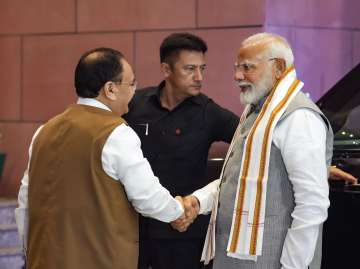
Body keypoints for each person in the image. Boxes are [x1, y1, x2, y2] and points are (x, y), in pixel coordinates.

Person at [14, 47, 186, 269]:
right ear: (111, 89)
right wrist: (180, 210)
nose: (135, 91)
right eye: (131, 83)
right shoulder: (117, 132)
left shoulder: (43, 131)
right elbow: (148, 198)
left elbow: (24, 202)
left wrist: (32, 253)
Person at [176, 32, 335, 269]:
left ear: (279, 67)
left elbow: (312, 204)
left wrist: (292, 266)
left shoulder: (299, 116)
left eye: (247, 67)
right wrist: (199, 201)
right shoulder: (257, 108)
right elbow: (236, 179)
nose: (237, 76)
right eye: (237, 67)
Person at [123, 33, 239, 269]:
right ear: (166, 69)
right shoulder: (135, 104)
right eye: (190, 69)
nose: (199, 77)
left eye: (202, 69)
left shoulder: (208, 112)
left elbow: (253, 139)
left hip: (183, 232)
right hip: (134, 229)